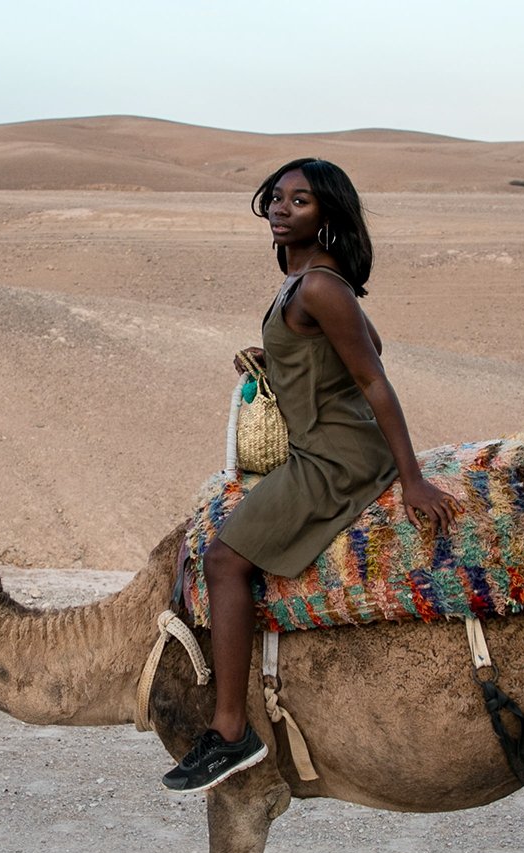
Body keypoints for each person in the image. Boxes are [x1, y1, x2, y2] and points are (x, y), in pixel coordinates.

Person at [163, 159, 460, 793]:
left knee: (222, 562)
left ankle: (230, 730)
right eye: (276, 197)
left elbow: (374, 375)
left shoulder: (320, 286)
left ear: (326, 215)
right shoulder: (304, 284)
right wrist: (275, 357)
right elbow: (346, 347)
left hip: (336, 456)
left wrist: (410, 477)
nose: (280, 208)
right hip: (325, 444)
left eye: (299, 201)